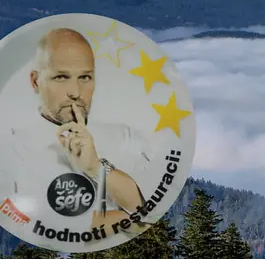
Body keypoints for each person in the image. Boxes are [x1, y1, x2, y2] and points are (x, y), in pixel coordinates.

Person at [0, 27, 154, 232]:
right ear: (35, 81)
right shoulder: (10, 151)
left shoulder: (127, 138)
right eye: (61, 77)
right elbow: (39, 227)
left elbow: (149, 216)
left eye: (85, 78)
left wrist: (96, 168)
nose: (75, 92)